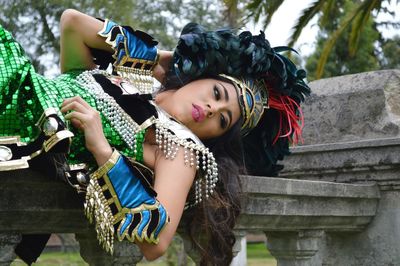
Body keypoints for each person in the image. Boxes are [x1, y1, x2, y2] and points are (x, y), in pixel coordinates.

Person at [0, 9, 310, 265]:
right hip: (15, 74)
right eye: (217, 93)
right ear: (202, 77)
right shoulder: (131, 79)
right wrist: (161, 58)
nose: (213, 109)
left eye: (223, 119)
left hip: (20, 126)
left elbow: (157, 242)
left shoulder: (181, 149)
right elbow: (72, 24)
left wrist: (103, 151)